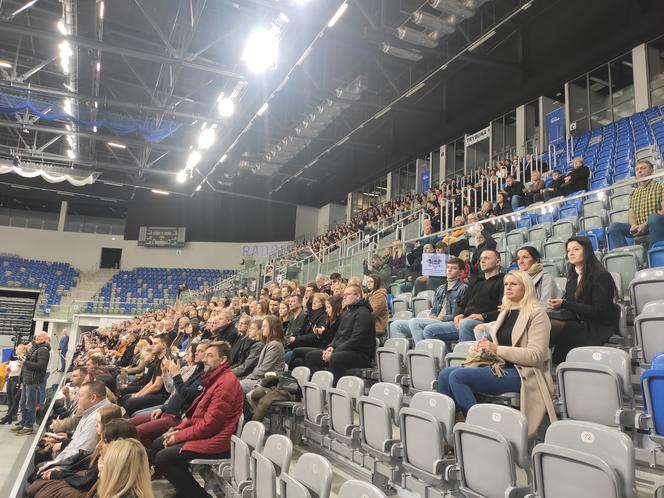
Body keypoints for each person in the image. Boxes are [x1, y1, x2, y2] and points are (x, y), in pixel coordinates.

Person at [437, 270, 556, 436]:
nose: (508, 287)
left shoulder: (537, 315)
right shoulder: (506, 312)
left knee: (458, 377)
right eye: (506, 284)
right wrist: (486, 346)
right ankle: (448, 432)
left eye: (513, 284)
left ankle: (480, 432)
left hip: (523, 372)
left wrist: (497, 349)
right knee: (445, 373)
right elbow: (501, 343)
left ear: (526, 288)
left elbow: (535, 356)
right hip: (500, 366)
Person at [153, 341, 243, 498]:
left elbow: (209, 426)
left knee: (162, 458)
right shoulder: (214, 378)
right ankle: (185, 489)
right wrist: (179, 429)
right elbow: (196, 414)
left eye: (210, 356)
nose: (204, 359)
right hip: (208, 434)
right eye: (205, 355)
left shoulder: (226, 383)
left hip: (217, 441)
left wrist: (178, 437)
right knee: (158, 443)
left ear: (223, 360)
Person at [547, 236, 620, 364]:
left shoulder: (601, 276)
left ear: (586, 251)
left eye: (576, 249)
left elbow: (599, 312)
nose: (571, 253)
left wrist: (565, 303)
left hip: (597, 326)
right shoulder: (573, 276)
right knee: (542, 323)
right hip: (579, 321)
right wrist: (560, 305)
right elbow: (573, 306)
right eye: (568, 250)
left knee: (546, 328)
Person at [27, 419, 139, 498]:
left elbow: (87, 481)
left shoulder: (113, 470)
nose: (98, 446)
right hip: (81, 474)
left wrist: (58, 473)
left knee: (42, 487)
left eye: (104, 441)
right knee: (42, 474)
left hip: (84, 483)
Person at [129, 343, 207, 448]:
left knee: (137, 430)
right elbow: (173, 391)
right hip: (167, 409)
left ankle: (148, 456)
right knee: (129, 424)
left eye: (199, 351)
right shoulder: (192, 370)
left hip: (175, 416)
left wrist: (175, 374)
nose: (195, 353)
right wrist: (163, 408)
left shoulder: (201, 374)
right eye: (195, 351)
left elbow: (184, 395)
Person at [421, 250, 504, 343]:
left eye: (487, 258)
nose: (482, 261)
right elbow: (462, 304)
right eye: (481, 259)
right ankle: (452, 355)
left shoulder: (504, 281)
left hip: (484, 322)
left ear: (497, 262)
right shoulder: (475, 281)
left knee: (465, 323)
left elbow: (503, 310)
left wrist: (483, 316)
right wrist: (457, 315)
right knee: (429, 330)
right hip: (464, 320)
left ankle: (466, 356)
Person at [305, 284, 376, 383]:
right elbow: (338, 335)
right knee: (311, 356)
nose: (345, 296)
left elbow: (356, 340)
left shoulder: (364, 313)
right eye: (344, 294)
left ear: (358, 296)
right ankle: (321, 386)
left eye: (348, 294)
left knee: (335, 358)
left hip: (361, 354)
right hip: (343, 350)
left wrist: (335, 351)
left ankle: (336, 389)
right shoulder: (347, 313)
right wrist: (331, 347)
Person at [390, 258, 468, 343]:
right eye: (448, 267)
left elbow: (461, 313)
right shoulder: (440, 288)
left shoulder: (463, 289)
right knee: (396, 325)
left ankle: (421, 352)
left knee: (415, 322)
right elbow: (434, 309)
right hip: (436, 320)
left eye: (454, 268)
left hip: (449, 322)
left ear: (460, 272)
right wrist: (433, 315)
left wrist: (442, 318)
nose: (449, 270)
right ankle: (406, 352)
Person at [38, 380, 111, 470]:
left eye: (80, 396)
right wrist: (67, 437)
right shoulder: (93, 411)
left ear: (92, 398)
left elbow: (80, 452)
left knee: (40, 458)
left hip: (74, 466)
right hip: (71, 455)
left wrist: (55, 466)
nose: (76, 398)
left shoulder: (95, 419)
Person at [607, 160, 664, 249]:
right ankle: (625, 255)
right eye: (637, 169)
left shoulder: (661, 186)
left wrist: (645, 224)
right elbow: (631, 213)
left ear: (651, 170)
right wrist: (634, 225)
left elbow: (663, 211)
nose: (639, 171)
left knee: (654, 218)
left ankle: (654, 252)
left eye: (643, 168)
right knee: (614, 227)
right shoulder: (634, 192)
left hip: (655, 225)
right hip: (638, 227)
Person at [12, 331, 50, 435]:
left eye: (40, 336)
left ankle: (29, 426)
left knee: (30, 404)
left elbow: (41, 366)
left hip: (33, 380)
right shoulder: (35, 347)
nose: (37, 337)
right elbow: (29, 359)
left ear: (45, 338)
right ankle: (24, 423)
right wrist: (23, 358)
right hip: (26, 379)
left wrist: (26, 362)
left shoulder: (43, 350)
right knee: (23, 403)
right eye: (37, 336)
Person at [289, 295, 342, 369]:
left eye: (329, 307)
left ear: (335, 308)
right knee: (298, 359)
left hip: (325, 348)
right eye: (313, 301)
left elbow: (333, 339)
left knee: (301, 353)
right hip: (322, 346)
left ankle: (291, 374)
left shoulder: (332, 319)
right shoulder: (327, 319)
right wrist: (319, 334)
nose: (327, 310)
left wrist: (322, 333)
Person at [121, 335, 169, 417]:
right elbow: (151, 382)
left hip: (162, 396)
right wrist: (138, 394)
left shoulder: (166, 360)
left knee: (130, 402)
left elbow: (157, 386)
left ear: (164, 345)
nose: (152, 346)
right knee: (126, 397)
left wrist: (139, 396)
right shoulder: (158, 360)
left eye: (155, 343)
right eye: (152, 343)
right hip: (155, 393)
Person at [240, 316, 285, 394]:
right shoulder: (270, 343)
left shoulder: (275, 345)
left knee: (236, 385)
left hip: (268, 383)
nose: (262, 329)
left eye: (265, 326)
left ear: (272, 328)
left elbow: (264, 370)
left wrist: (247, 378)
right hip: (260, 379)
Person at [0, 343, 26, 424]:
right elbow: (7, 368)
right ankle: (9, 414)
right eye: (17, 349)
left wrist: (10, 369)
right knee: (9, 398)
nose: (17, 350)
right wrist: (9, 369)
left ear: (24, 350)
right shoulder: (14, 358)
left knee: (14, 398)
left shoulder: (23, 358)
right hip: (10, 378)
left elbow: (16, 370)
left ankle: (13, 415)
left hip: (16, 379)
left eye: (19, 349)